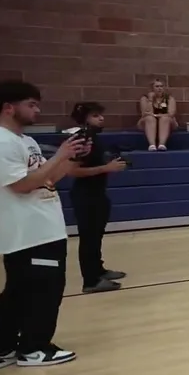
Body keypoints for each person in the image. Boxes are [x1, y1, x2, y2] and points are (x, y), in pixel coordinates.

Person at [0, 81, 88, 371]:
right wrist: (59, 155)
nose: (37, 110)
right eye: (31, 104)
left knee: (18, 292)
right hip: (28, 231)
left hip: (41, 227)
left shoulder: (25, 141)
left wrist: (70, 158)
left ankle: (0, 350)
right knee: (43, 292)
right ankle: (34, 348)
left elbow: (46, 180)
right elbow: (22, 185)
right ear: (8, 107)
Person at [66, 102, 129, 293]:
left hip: (98, 193)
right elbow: (72, 171)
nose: (101, 118)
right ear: (84, 119)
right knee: (88, 238)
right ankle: (90, 281)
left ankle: (98, 269)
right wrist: (106, 168)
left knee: (96, 236)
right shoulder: (81, 139)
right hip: (85, 195)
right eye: (95, 115)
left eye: (100, 115)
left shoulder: (94, 138)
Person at [139, 78, 178, 151]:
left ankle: (162, 144)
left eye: (161, 86)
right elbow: (145, 113)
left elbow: (171, 114)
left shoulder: (169, 98)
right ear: (152, 88)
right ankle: (152, 145)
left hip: (166, 122)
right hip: (148, 122)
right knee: (150, 118)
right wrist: (150, 100)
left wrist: (156, 115)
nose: (159, 88)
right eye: (157, 86)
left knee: (164, 119)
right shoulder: (145, 98)